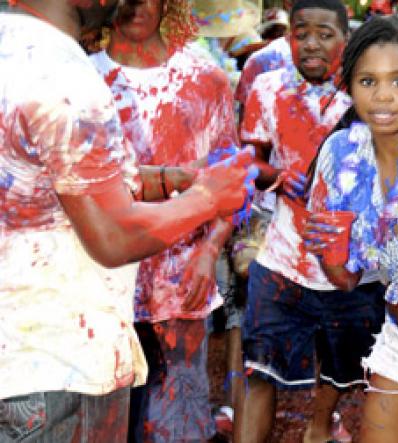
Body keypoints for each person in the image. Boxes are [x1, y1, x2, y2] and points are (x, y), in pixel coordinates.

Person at [0, 1, 254, 441]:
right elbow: (113, 236)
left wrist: (174, 180)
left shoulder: (12, 45)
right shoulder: (67, 75)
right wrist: (208, 197)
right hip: (59, 368)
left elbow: (60, 183)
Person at [89, 0, 241, 441]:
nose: (135, 5)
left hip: (180, 290)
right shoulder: (82, 80)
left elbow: (233, 180)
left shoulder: (204, 79)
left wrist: (209, 252)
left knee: (176, 427)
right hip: (102, 293)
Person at [238, 1, 386, 442]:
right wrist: (279, 179)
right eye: (302, 33)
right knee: (259, 369)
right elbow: (253, 159)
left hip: (353, 268)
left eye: (325, 34)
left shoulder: (370, 93)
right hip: (282, 257)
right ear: (289, 39)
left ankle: (319, 429)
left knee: (341, 373)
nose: (312, 44)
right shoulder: (267, 88)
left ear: (346, 38)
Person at [304, 14, 398, 443]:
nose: (384, 96)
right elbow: (344, 279)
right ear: (349, 86)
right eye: (368, 81)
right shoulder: (341, 153)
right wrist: (329, 251)